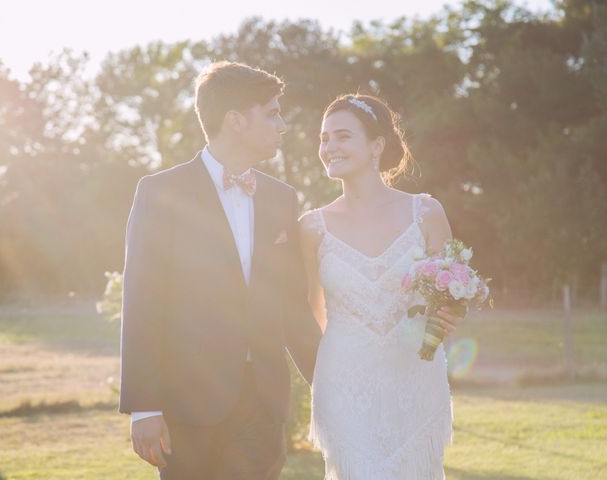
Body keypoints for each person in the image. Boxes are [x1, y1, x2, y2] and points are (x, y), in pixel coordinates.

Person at [119, 61, 321, 479]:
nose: (282, 125)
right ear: (235, 121)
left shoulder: (281, 198)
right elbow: (142, 300)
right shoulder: (161, 192)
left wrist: (329, 381)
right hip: (186, 404)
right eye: (272, 113)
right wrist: (144, 407)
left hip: (263, 404)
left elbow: (293, 307)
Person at [299, 94, 464, 479]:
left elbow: (450, 292)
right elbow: (312, 309)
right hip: (344, 384)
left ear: (377, 146)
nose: (329, 147)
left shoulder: (425, 212)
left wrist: (447, 315)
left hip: (413, 379)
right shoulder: (310, 227)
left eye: (342, 136)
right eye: (324, 139)